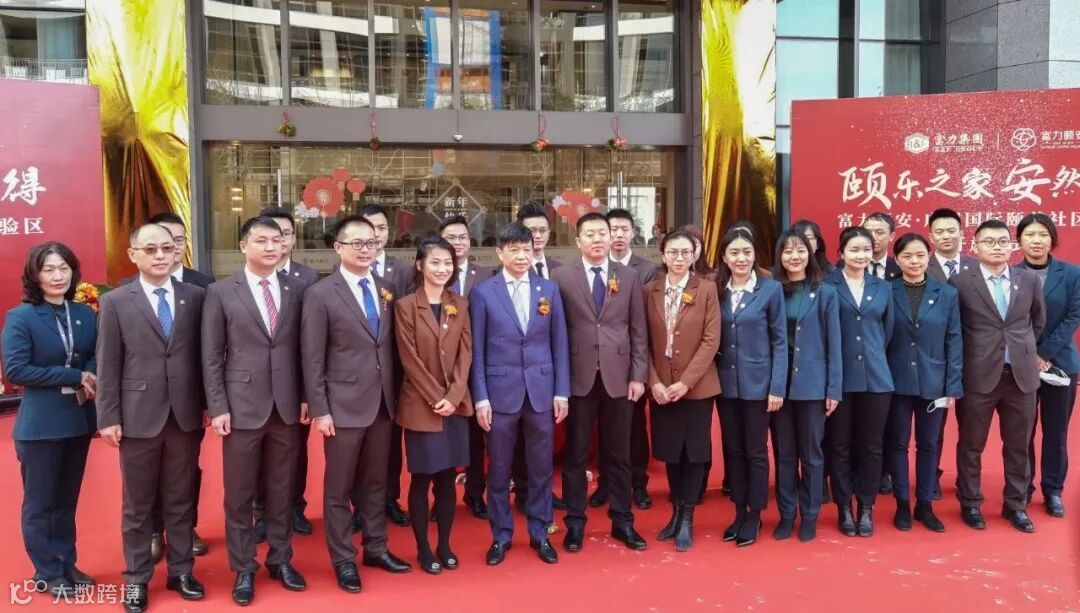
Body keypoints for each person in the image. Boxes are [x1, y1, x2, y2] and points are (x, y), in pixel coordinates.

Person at [96, 224, 207, 612]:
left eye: (167, 248)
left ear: (178, 252)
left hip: (184, 415)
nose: (160, 255)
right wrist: (108, 416)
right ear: (133, 255)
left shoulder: (195, 297)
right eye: (150, 249)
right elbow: (108, 363)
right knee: (137, 504)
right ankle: (137, 579)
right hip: (137, 415)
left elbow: (205, 356)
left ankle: (181, 572)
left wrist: (209, 405)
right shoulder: (115, 301)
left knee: (181, 498)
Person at [301, 214, 413, 592]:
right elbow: (312, 357)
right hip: (342, 406)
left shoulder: (385, 288)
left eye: (372, 243)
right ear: (338, 248)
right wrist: (320, 409)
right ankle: (343, 559)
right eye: (357, 243)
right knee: (339, 487)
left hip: (382, 403)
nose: (366, 249)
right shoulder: (320, 294)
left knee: (377, 481)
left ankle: (376, 547)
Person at [202, 216, 309, 605]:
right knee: (240, 493)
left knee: (282, 490)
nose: (270, 247)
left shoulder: (298, 289)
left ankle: (281, 559)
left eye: (276, 240)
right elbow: (211, 354)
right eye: (261, 240)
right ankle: (243, 567)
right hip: (241, 406)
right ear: (243, 246)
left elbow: (305, 350)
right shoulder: (220, 291)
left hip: (286, 406)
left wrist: (306, 397)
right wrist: (218, 406)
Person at [469, 222, 570, 566]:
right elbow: (477, 351)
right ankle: (501, 535)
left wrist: (561, 392)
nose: (522, 255)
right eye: (514, 250)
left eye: (526, 249)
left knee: (541, 467)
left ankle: (541, 532)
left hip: (541, 391)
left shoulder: (548, 289)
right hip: (500, 394)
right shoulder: (484, 293)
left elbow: (559, 344)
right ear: (500, 253)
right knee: (499, 468)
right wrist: (481, 397)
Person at [2, 242, 98, 598]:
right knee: (41, 503)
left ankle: (66, 563)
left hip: (78, 419)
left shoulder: (84, 313)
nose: (58, 276)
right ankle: (46, 571)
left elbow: (95, 354)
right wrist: (74, 376)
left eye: (64, 268)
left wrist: (91, 372)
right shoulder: (22, 316)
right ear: (35, 275)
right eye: (49, 269)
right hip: (41, 425)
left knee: (66, 501)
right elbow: (16, 369)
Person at [552, 213, 649, 553]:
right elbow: (556, 332)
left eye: (602, 233)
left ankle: (623, 522)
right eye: (590, 234)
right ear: (578, 240)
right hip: (578, 377)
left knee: (619, 454)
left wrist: (638, 375)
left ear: (611, 238)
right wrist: (559, 384)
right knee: (576, 455)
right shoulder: (562, 276)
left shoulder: (629, 276)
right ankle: (575, 524)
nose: (597, 239)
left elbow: (638, 329)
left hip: (619, 377)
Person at [951, 219, 1045, 533]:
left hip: (1021, 375)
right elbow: (955, 327)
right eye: (989, 241)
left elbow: (1037, 321)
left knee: (1019, 445)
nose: (997, 247)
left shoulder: (1028, 280)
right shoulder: (960, 282)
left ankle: (1016, 505)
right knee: (971, 444)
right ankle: (970, 502)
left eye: (1003, 241)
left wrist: (1023, 350)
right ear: (975, 247)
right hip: (978, 374)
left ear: (1012, 245)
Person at [395, 237, 474, 573]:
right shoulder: (405, 306)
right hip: (421, 406)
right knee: (422, 478)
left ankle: (444, 544)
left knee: (446, 478)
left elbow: (466, 352)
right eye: (435, 262)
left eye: (448, 263)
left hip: (454, 407)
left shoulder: (460, 303)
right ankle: (423, 548)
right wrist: (435, 397)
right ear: (420, 265)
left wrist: (453, 397)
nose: (443, 269)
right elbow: (409, 359)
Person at [644, 230, 721, 552]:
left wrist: (685, 382)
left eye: (685, 252)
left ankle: (688, 516)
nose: (679, 258)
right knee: (671, 452)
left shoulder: (707, 288)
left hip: (696, 387)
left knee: (694, 453)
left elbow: (711, 340)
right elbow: (642, 340)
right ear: (663, 255)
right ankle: (675, 513)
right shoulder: (650, 290)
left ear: (694, 255)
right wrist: (654, 382)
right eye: (673, 252)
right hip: (662, 387)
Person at [246, 206, 320, 541]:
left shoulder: (307, 279)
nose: (276, 243)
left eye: (284, 235)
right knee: (259, 455)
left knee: (296, 451)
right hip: (256, 388)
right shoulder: (243, 282)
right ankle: (261, 512)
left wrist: (307, 392)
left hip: (292, 386)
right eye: (267, 236)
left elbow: (310, 342)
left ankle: (294, 507)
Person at [884, 233, 963, 533]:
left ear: (928, 257)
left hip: (934, 381)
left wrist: (953, 385)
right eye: (907, 256)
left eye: (920, 255)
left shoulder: (947, 294)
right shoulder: (886, 291)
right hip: (895, 380)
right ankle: (902, 504)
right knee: (898, 442)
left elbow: (954, 340)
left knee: (929, 443)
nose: (914, 261)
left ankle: (925, 505)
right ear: (897, 259)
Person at [714, 229, 787, 547]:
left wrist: (777, 387)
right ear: (724, 257)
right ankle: (739, 510)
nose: (741, 258)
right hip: (726, 385)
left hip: (760, 385)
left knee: (756, 451)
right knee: (734, 450)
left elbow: (780, 341)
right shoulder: (717, 289)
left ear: (755, 255)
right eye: (734, 253)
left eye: (746, 252)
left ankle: (755, 513)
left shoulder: (770, 290)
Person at [770, 229, 841, 542]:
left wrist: (833, 389)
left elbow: (834, 344)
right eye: (787, 251)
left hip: (813, 384)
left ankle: (810, 514)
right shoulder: (772, 290)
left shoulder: (825, 292)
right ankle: (787, 514)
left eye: (800, 250)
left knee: (812, 453)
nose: (794, 256)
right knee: (785, 453)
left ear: (810, 254)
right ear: (779, 256)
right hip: (778, 384)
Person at [823, 226, 894, 537]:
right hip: (839, 379)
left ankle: (866, 506)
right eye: (854, 249)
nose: (861, 255)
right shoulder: (827, 286)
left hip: (876, 378)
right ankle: (843, 506)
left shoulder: (883, 288)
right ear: (841, 253)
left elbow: (888, 332)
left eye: (866, 249)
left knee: (872, 446)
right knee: (838, 445)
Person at [1016, 213, 1080, 519]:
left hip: (1061, 364)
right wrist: (1031, 355)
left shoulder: (1072, 274)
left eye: (1042, 234)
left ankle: (1053, 490)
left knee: (1056, 431)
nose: (1036, 240)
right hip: (1020, 365)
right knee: (1022, 431)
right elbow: (1010, 321)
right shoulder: (1011, 274)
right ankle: (1023, 486)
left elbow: (1073, 317)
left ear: (1052, 239)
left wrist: (1043, 354)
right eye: (1030, 235)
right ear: (1020, 240)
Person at [594, 208, 658, 510]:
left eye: (624, 229)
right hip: (599, 364)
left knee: (633, 428)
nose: (618, 235)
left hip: (631, 363)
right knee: (604, 428)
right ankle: (606, 482)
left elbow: (644, 324)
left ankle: (638, 483)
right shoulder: (594, 266)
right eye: (613, 229)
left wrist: (640, 371)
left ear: (633, 233)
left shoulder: (645, 270)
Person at [358, 204, 415, 529]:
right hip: (357, 374)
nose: (376, 235)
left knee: (390, 443)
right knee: (358, 445)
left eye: (381, 228)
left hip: (393, 372)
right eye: (369, 229)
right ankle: (359, 504)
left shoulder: (402, 271)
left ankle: (390, 499)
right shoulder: (346, 269)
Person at [512, 202, 564, 513]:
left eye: (543, 230)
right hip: (516, 373)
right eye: (531, 231)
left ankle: (544, 492)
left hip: (549, 368)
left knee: (544, 439)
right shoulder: (504, 274)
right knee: (520, 439)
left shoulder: (561, 272)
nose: (537, 236)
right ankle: (522, 491)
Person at [440, 215, 493, 520]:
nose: (457, 242)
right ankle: (442, 497)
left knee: (475, 436)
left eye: (462, 237)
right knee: (443, 434)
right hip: (442, 368)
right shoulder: (432, 275)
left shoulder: (486, 275)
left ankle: (475, 493)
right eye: (451, 237)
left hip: (477, 366)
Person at [924, 207, 977, 500]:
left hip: (977, 358)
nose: (946, 236)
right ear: (931, 236)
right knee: (934, 426)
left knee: (971, 427)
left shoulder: (978, 266)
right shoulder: (921, 266)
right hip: (935, 359)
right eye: (939, 232)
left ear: (961, 233)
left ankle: (967, 483)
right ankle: (930, 475)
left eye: (951, 230)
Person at [862, 212, 902, 281]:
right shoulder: (849, 265)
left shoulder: (900, 267)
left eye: (879, 232)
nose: (873, 237)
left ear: (891, 236)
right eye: (868, 232)